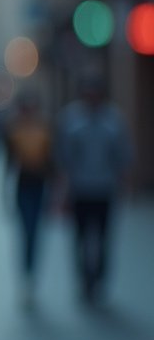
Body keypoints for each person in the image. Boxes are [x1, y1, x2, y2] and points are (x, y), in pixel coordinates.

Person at [55, 73, 132, 305]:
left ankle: (99, 279)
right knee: (79, 238)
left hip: (104, 189)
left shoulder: (114, 120)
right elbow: (63, 158)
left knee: (103, 237)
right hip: (80, 189)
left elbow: (123, 155)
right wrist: (62, 189)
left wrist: (123, 183)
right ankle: (84, 279)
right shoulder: (70, 120)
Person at [3, 91, 52, 305]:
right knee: (26, 231)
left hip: (39, 186)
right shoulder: (14, 131)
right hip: (23, 186)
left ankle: (31, 273)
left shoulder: (45, 130)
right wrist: (4, 191)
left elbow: (52, 163)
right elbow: (9, 163)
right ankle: (26, 274)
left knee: (34, 232)